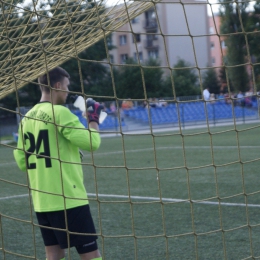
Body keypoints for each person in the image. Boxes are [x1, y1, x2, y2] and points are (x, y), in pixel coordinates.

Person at [13, 67, 103, 260]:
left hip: (42, 201)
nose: (67, 91)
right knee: (91, 254)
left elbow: (22, 162)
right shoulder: (60, 113)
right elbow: (92, 143)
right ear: (58, 85)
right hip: (68, 198)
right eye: (67, 87)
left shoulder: (26, 119)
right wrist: (93, 120)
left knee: (54, 254)